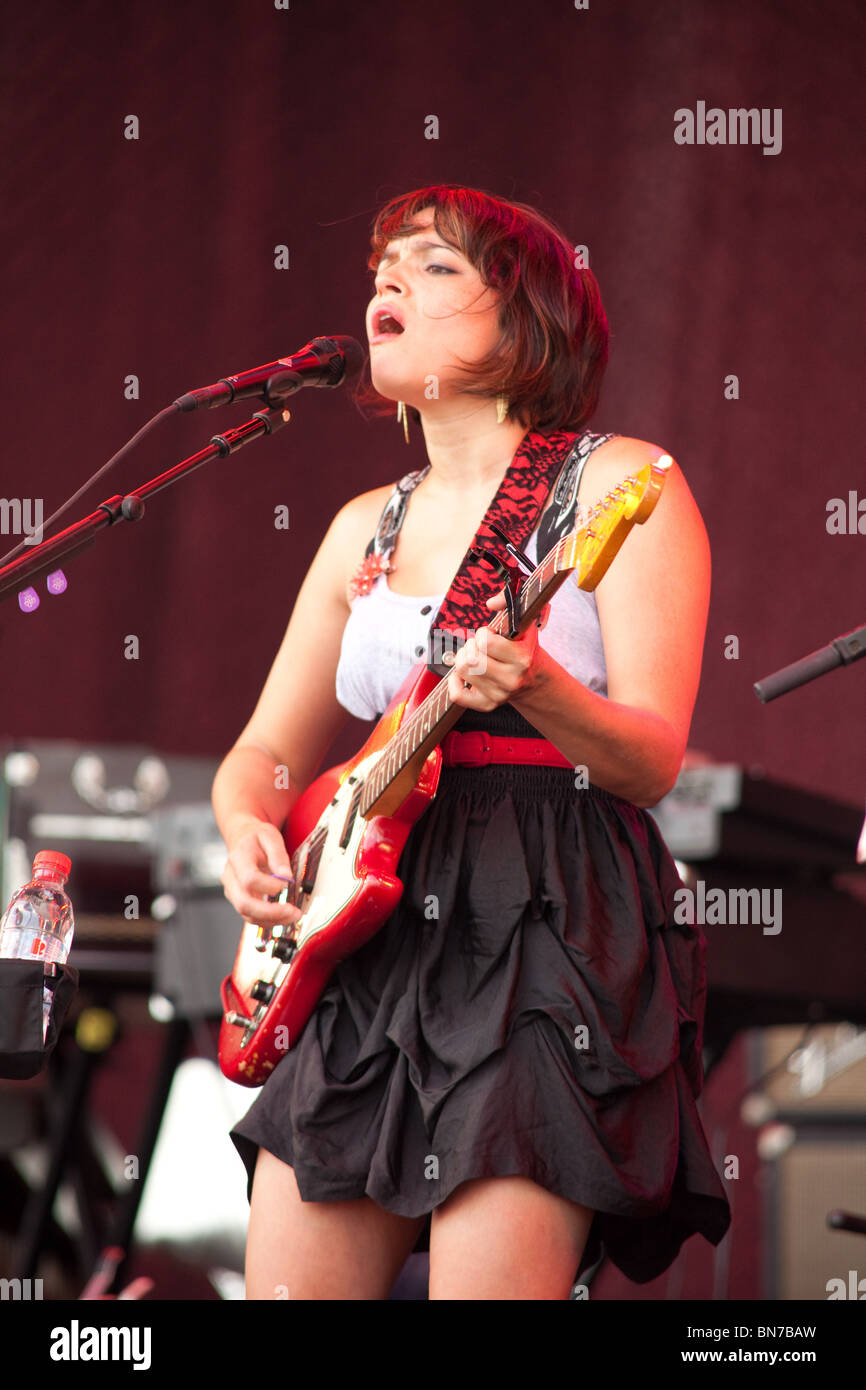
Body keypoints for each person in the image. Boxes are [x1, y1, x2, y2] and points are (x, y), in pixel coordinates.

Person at [211, 184, 731, 1300]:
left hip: (539, 909)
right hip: (366, 930)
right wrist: (249, 826)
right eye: (382, 266)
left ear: (527, 313)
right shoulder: (366, 522)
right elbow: (266, 753)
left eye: (433, 265)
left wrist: (538, 686)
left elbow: (646, 760)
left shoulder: (616, 483)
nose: (386, 281)